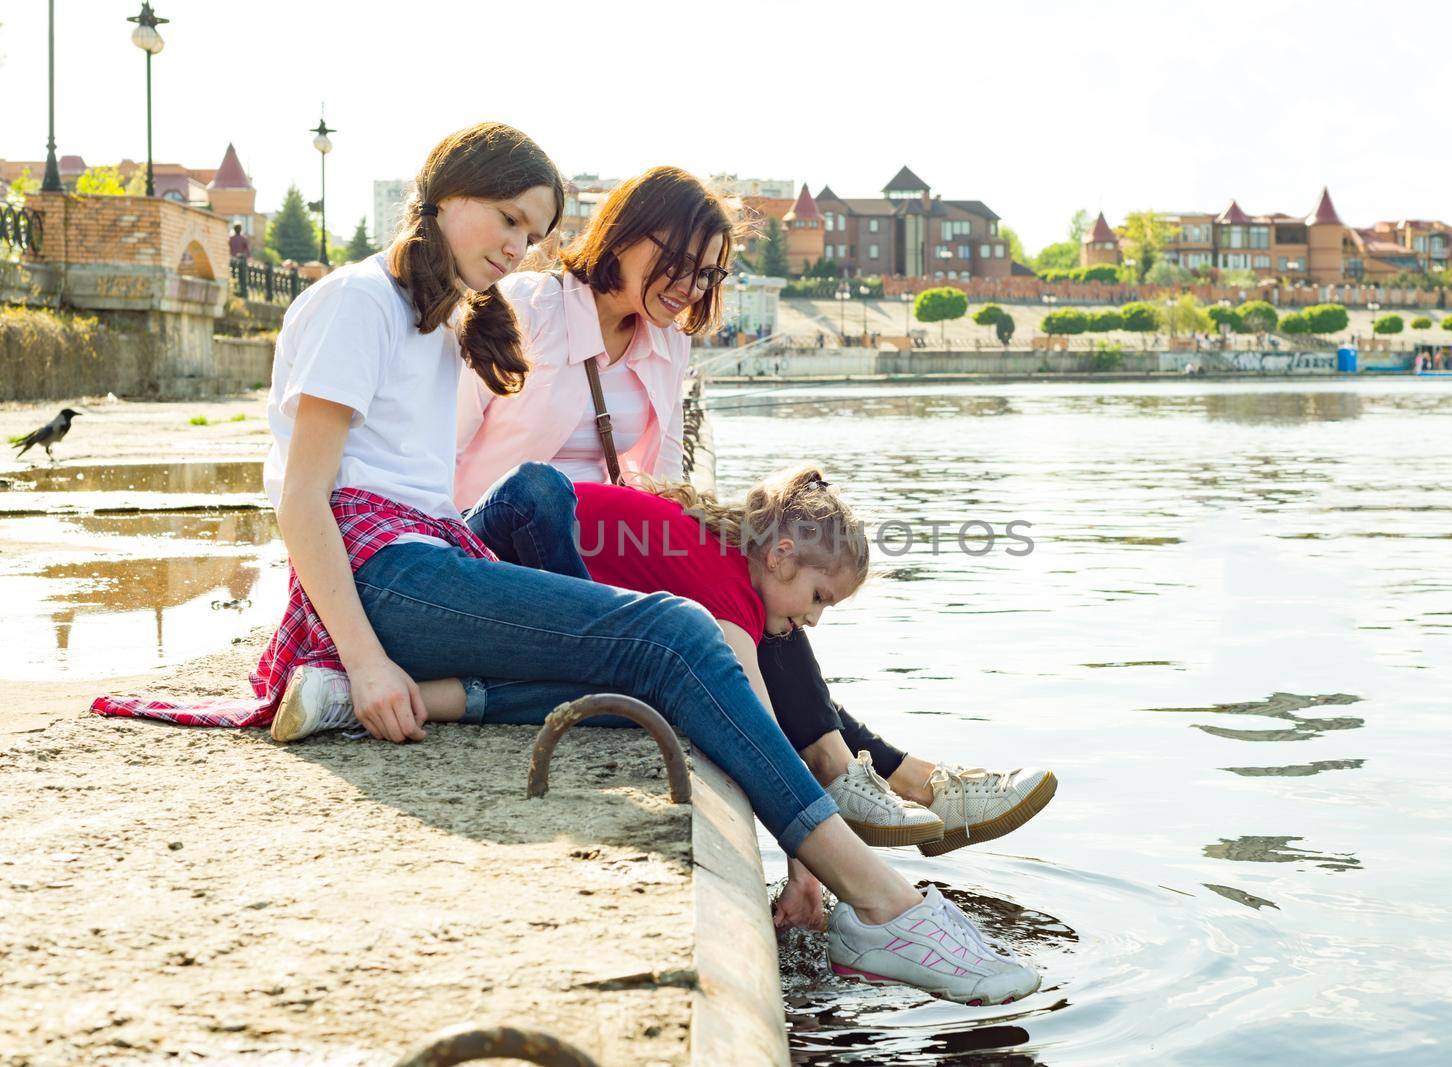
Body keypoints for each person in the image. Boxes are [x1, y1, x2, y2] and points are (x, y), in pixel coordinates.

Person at [259, 122, 1037, 1006]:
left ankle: (858, 852)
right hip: (387, 569)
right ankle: (882, 899)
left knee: (682, 658)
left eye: (531, 230)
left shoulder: (440, 323)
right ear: (440, 195)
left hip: (434, 560)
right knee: (677, 633)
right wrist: (363, 658)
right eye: (505, 218)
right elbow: (302, 497)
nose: (515, 246)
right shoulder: (358, 301)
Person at [450, 167, 1054, 874]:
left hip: (598, 550)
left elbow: (657, 483)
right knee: (733, 589)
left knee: (759, 584)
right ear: (625, 235)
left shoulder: (667, 345)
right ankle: (881, 780)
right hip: (504, 541)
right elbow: (441, 451)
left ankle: (886, 778)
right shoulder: (525, 307)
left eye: (709, 275)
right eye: (680, 264)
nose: (693, 288)